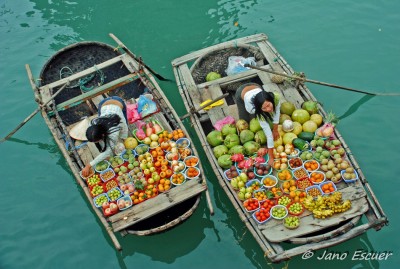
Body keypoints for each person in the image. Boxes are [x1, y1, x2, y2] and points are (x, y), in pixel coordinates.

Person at [234, 83, 281, 166]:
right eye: (264, 108)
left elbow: (277, 113)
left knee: (269, 113)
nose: (269, 109)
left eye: (268, 105)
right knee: (245, 120)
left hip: (256, 86)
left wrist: (275, 129)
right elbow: (269, 135)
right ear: (259, 109)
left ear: (270, 99)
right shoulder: (252, 109)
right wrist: (271, 157)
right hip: (241, 93)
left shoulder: (276, 97)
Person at [81, 96, 129, 177]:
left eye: (96, 141)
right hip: (102, 105)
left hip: (118, 103)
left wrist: (89, 165)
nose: (96, 142)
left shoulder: (114, 130)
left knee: (124, 127)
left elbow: (124, 128)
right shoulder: (93, 123)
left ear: (103, 135)